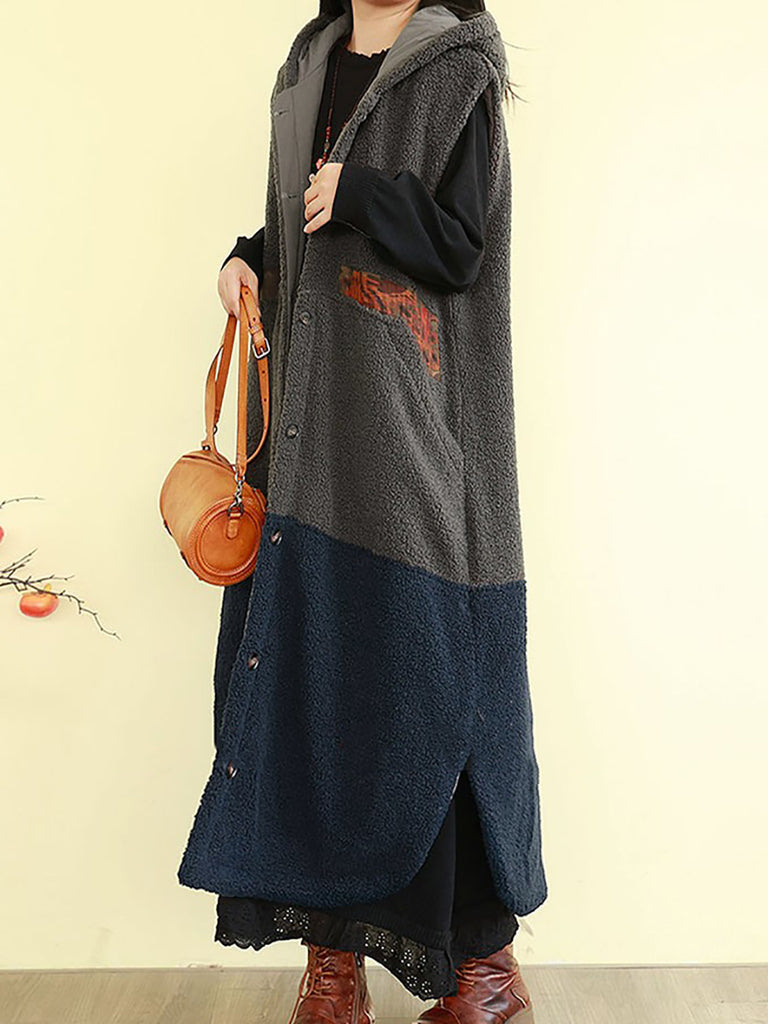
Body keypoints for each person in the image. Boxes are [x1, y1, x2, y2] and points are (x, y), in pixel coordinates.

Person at [180, 3, 547, 1022]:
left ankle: (483, 972)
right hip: (309, 445)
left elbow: (462, 246)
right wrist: (248, 254)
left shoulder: (457, 68)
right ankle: (330, 967)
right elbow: (304, 216)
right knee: (311, 690)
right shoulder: (310, 62)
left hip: (413, 439)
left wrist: (363, 193)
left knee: (432, 691)